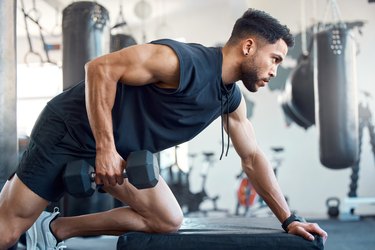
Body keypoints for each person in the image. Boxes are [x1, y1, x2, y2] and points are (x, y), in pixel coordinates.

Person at [0, 8, 328, 249]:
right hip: (68, 129)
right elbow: (99, 69)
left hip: (122, 152)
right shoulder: (181, 61)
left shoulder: (229, 98)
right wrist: (105, 149)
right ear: (248, 46)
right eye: (275, 58)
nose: (275, 70)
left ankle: (55, 229)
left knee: (167, 220)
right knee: (6, 233)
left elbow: (253, 158)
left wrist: (289, 219)